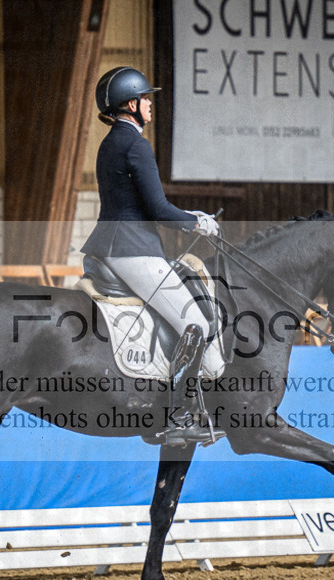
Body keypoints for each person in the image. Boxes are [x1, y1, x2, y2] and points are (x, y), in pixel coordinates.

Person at [81, 66, 224, 445]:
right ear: (131, 104)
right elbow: (158, 208)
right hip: (132, 249)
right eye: (146, 99)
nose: (150, 105)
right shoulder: (136, 145)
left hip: (108, 245)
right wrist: (197, 223)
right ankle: (176, 415)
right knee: (197, 323)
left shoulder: (111, 141)